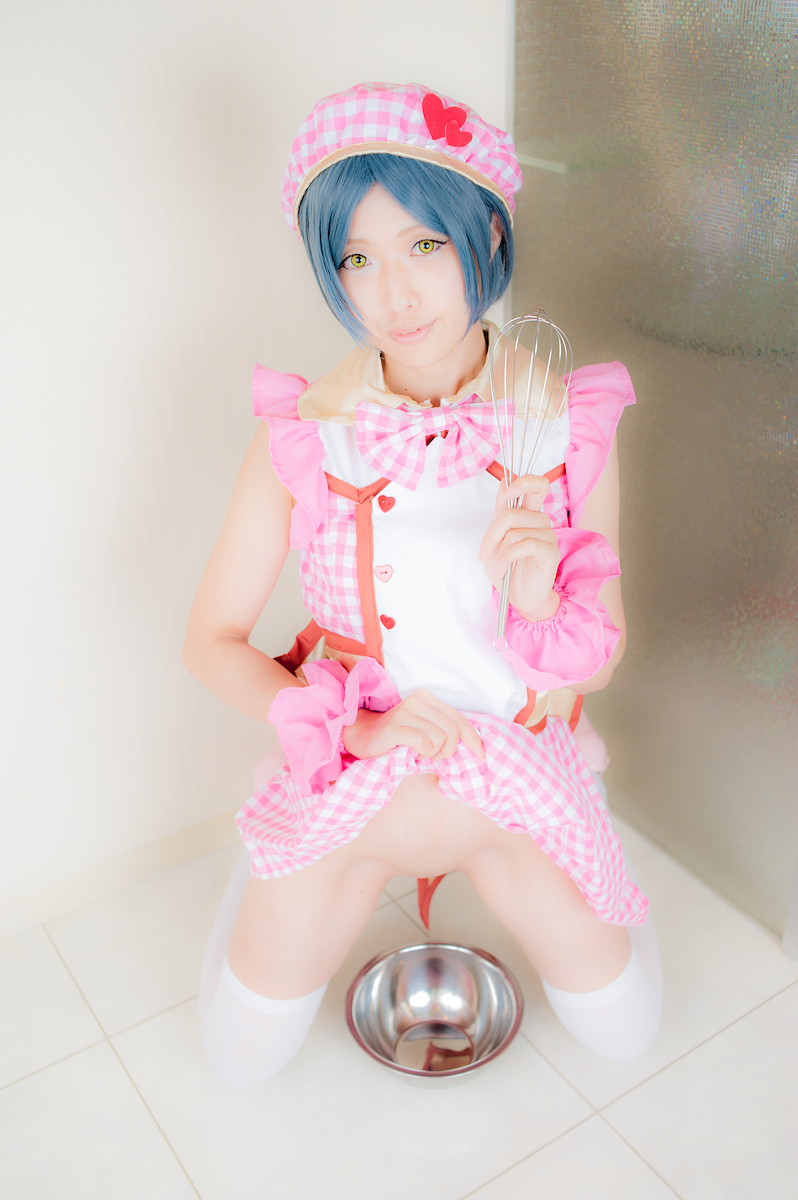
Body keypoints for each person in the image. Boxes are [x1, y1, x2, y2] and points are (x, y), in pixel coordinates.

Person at [184, 83, 663, 1088]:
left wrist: (537, 596)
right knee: (240, 1058)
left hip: (517, 791)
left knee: (627, 1034)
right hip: (357, 796)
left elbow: (598, 655)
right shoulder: (306, 437)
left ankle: (563, 855)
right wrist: (352, 732)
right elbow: (211, 642)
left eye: (425, 246)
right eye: (357, 260)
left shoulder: (562, 424)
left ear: (486, 232)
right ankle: (272, 873)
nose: (393, 296)